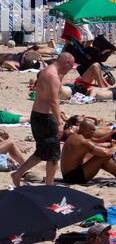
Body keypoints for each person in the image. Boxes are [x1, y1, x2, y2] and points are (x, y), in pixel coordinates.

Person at [13, 53, 76, 186]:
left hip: (37, 115)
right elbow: (54, 101)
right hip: (46, 118)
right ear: (66, 63)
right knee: (53, 155)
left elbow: (55, 89)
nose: (71, 70)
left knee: (41, 152)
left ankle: (18, 174)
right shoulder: (52, 76)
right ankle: (49, 185)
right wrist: (59, 123)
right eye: (71, 66)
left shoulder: (47, 71)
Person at [60, 117, 116, 185]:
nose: (94, 131)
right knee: (103, 157)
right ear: (87, 130)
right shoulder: (83, 142)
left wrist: (111, 134)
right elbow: (106, 153)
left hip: (68, 175)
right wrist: (115, 146)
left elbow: (95, 141)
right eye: (93, 129)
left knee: (100, 156)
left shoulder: (75, 136)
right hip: (73, 178)